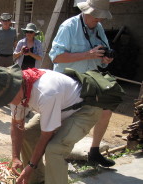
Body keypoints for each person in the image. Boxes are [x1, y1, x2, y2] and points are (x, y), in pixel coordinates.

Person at [0, 64, 105, 184]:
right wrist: (15, 158)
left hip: (84, 110)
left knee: (55, 150)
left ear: (16, 85)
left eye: (9, 98)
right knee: (28, 134)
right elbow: (17, 125)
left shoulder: (45, 92)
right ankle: (36, 181)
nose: (10, 103)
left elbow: (47, 135)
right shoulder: (16, 89)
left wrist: (31, 165)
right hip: (62, 107)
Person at [49, 0, 115, 168]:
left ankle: (94, 152)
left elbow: (101, 56)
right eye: (96, 16)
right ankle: (55, 156)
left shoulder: (98, 28)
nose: (98, 20)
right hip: (67, 80)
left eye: (101, 17)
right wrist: (87, 54)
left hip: (90, 79)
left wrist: (105, 59)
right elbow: (56, 57)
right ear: (86, 11)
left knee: (106, 111)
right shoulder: (69, 26)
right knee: (64, 118)